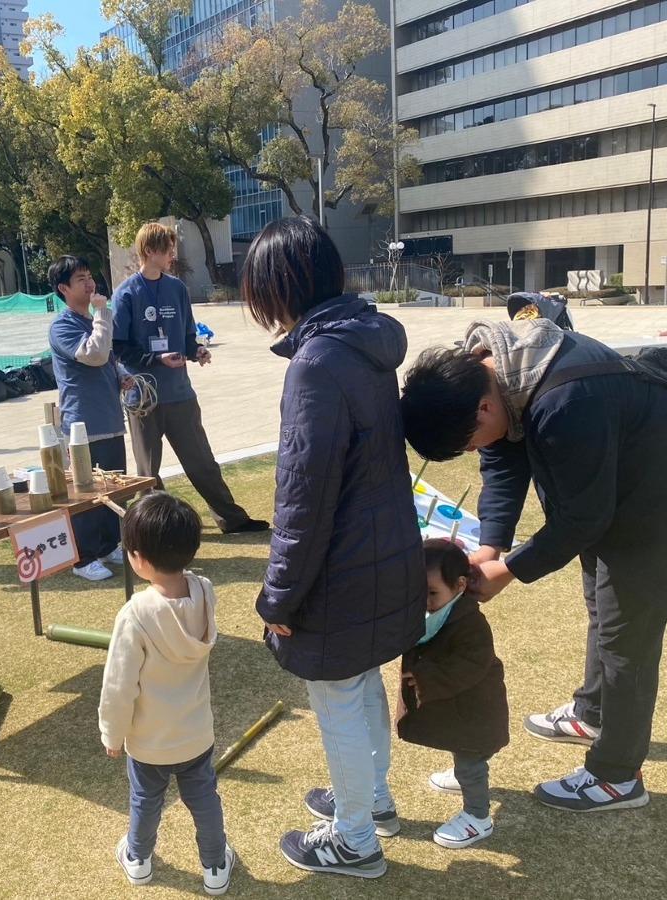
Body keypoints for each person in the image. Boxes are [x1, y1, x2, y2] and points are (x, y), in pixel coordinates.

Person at [400, 318, 667, 812]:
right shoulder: (495, 374)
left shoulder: (567, 400)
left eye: (468, 442)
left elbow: (583, 518)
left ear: (483, 408)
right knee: (602, 607)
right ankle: (593, 713)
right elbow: (503, 460)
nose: (474, 451)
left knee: (627, 638)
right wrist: (490, 547)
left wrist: (509, 571)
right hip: (621, 495)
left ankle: (617, 776)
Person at [240, 217, 426, 879]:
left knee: (338, 697)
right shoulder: (364, 345)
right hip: (385, 553)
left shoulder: (316, 363)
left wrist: (279, 597)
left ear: (280, 287)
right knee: (361, 680)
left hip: (342, 569)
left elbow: (303, 498)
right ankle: (371, 800)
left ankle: (354, 839)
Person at [98, 491, 235, 895]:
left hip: (150, 741)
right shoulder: (204, 591)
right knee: (204, 799)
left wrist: (112, 734)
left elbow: (119, 685)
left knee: (145, 799)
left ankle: (138, 859)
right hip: (196, 734)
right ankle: (215, 865)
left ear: (138, 558)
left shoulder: (135, 615)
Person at [112, 223, 267, 534]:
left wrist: (196, 351)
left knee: (202, 462)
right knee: (148, 473)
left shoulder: (177, 289)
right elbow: (119, 347)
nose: (173, 254)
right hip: (144, 398)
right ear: (149, 251)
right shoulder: (126, 293)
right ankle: (152, 531)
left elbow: (186, 337)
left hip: (180, 393)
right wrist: (156, 359)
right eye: (167, 249)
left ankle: (232, 519)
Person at [396, 538, 509, 849]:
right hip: (460, 709)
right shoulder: (437, 611)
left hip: (476, 710)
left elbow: (471, 664)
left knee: (471, 761)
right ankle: (465, 775)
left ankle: (478, 817)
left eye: (432, 593)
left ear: (460, 585)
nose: (423, 601)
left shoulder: (470, 623)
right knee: (467, 754)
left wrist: (426, 677)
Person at [48, 254, 130, 582]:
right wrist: (102, 314)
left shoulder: (91, 320)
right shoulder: (63, 326)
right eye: (80, 279)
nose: (89, 283)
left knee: (113, 487)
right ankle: (83, 558)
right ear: (63, 289)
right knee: (86, 492)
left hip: (109, 418)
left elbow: (107, 358)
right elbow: (94, 354)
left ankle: (109, 545)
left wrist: (122, 374)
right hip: (82, 423)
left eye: (89, 276)